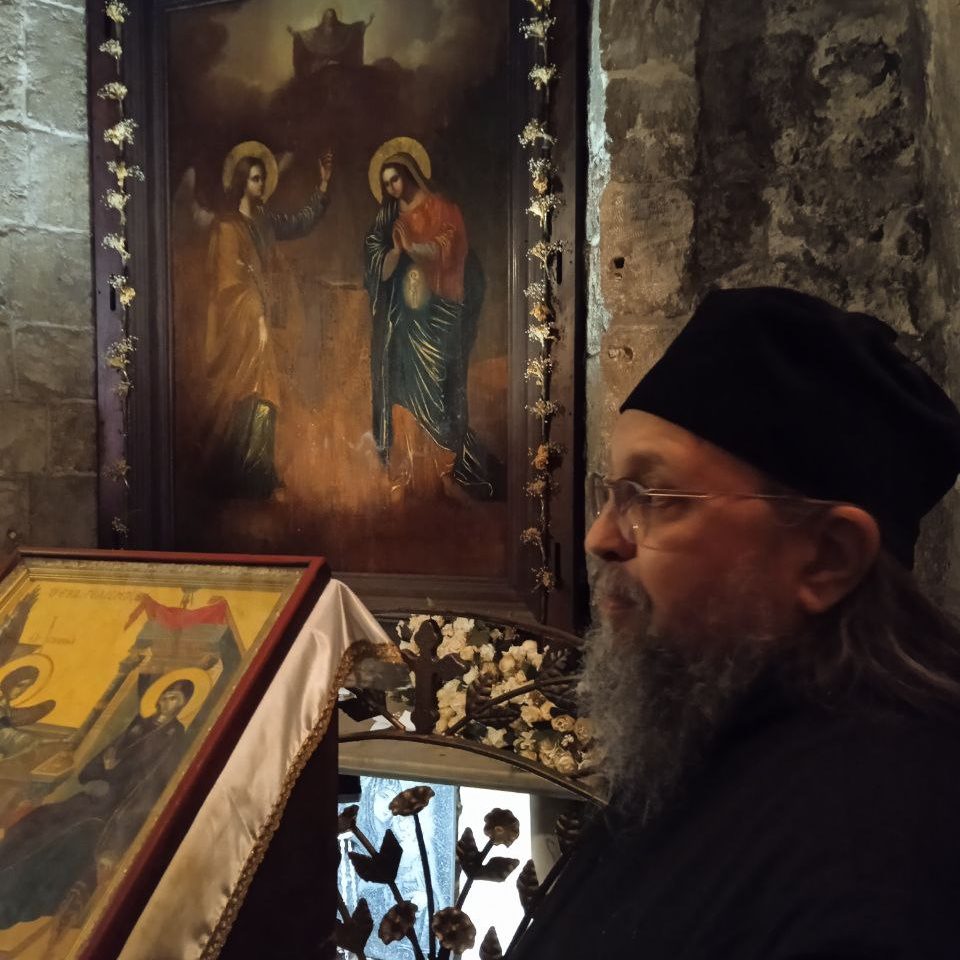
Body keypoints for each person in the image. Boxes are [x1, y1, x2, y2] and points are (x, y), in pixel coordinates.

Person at [512, 287, 960, 958]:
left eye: (652, 497)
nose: (600, 537)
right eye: (611, 494)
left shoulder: (877, 866)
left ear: (826, 559)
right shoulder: (712, 722)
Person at [363, 143, 503, 501]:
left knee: (439, 394)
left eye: (396, 178)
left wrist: (411, 246)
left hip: (438, 315)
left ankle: (446, 470)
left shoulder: (444, 209)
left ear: (409, 172)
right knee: (401, 392)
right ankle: (406, 475)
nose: (393, 187)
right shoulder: (390, 219)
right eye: (387, 183)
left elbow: (449, 250)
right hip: (403, 321)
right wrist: (396, 251)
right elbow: (378, 265)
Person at [0, 679, 195, 929]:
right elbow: (96, 764)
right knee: (34, 822)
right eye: (168, 696)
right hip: (92, 797)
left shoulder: (174, 737)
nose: (169, 703)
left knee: (62, 837)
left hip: (116, 809)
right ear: (158, 698)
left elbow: (150, 781)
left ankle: (9, 899)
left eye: (177, 700)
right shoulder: (138, 725)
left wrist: (113, 776)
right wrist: (101, 769)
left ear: (184, 706)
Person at [205, 141, 332, 499]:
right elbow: (228, 282)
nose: (262, 186)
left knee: (266, 390)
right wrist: (256, 314)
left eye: (263, 179)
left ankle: (257, 472)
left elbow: (299, 223)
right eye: (257, 179)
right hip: (242, 321)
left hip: (261, 318)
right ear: (243, 182)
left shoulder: (264, 222)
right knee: (256, 387)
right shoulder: (228, 227)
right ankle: (247, 472)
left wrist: (322, 188)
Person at [0, 665, 54, 760]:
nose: (21, 691)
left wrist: (46, 707)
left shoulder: (5, 706)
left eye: (27, 686)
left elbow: (23, 716)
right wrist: (28, 740)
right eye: (20, 685)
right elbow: (5, 731)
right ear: (9, 683)